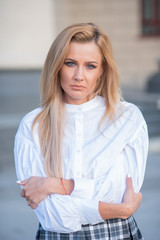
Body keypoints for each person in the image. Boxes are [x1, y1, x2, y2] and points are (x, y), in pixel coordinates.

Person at [14, 23, 148, 239]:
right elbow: (53, 216)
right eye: (70, 63)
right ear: (56, 66)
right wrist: (120, 210)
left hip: (117, 234)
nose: (79, 75)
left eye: (90, 66)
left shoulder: (127, 118)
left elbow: (116, 194)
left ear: (102, 69)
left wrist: (54, 184)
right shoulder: (33, 124)